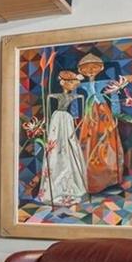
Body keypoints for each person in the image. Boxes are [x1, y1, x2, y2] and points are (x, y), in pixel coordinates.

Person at [75, 52, 127, 194]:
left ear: (101, 68)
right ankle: (91, 179)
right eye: (86, 68)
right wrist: (76, 116)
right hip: (89, 115)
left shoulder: (106, 83)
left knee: (108, 143)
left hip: (104, 114)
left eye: (94, 67)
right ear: (81, 71)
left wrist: (116, 113)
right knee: (89, 144)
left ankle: (110, 177)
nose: (90, 71)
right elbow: (76, 100)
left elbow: (115, 95)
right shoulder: (80, 85)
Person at [43, 70, 88, 206]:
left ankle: (71, 184)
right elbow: (47, 110)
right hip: (57, 120)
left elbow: (83, 109)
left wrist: (79, 123)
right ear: (63, 82)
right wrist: (46, 128)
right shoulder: (53, 96)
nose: (73, 85)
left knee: (70, 147)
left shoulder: (77, 96)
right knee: (56, 146)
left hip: (67, 121)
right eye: (70, 82)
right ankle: (54, 187)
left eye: (74, 83)